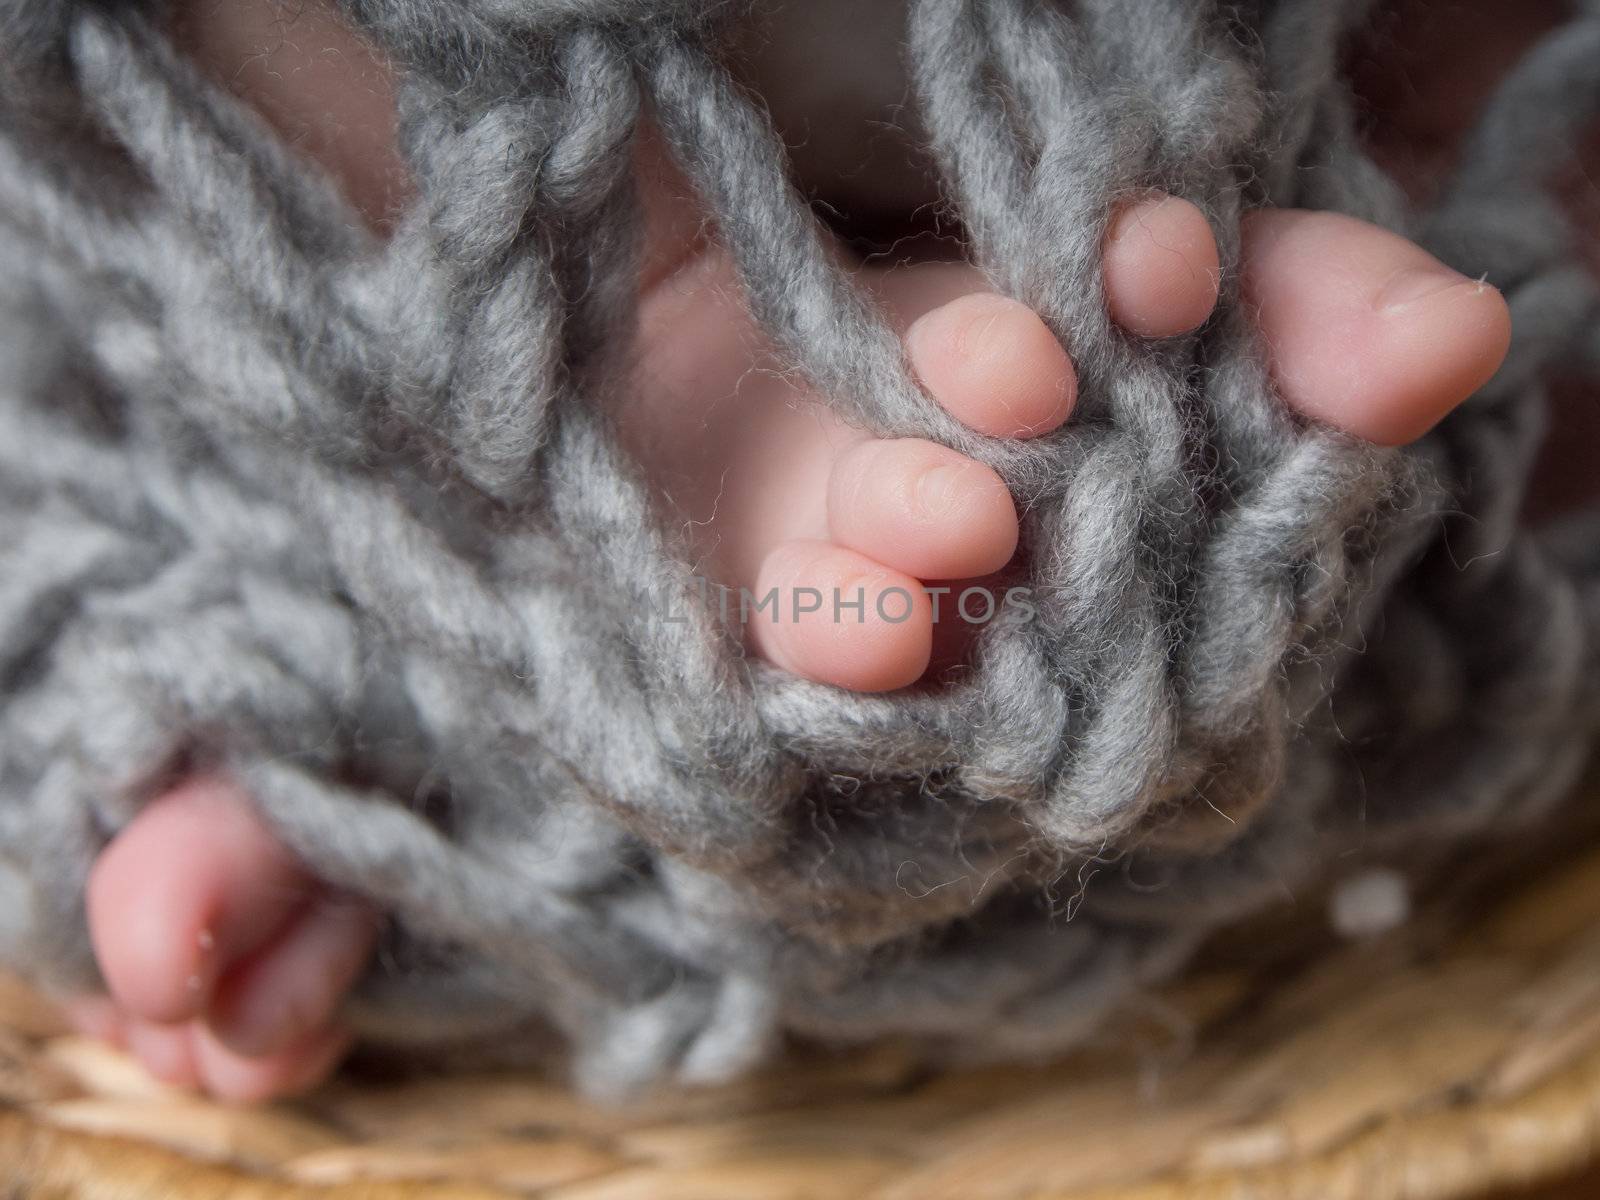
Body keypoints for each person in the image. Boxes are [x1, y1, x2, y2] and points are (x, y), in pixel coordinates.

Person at [71, 0, 1574, 1101]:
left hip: (1178, 73)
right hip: (521, 185)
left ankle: (396, 770)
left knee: (1510, 312)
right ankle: (670, 330)